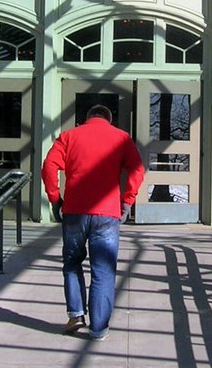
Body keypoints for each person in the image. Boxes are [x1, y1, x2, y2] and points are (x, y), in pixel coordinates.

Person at [41, 103, 145, 340]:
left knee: (72, 262)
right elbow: (137, 170)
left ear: (87, 118)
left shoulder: (68, 137)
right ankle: (98, 328)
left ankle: (76, 314)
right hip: (108, 213)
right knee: (103, 270)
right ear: (108, 119)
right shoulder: (122, 138)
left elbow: (49, 167)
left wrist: (56, 199)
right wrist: (127, 201)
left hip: (75, 211)